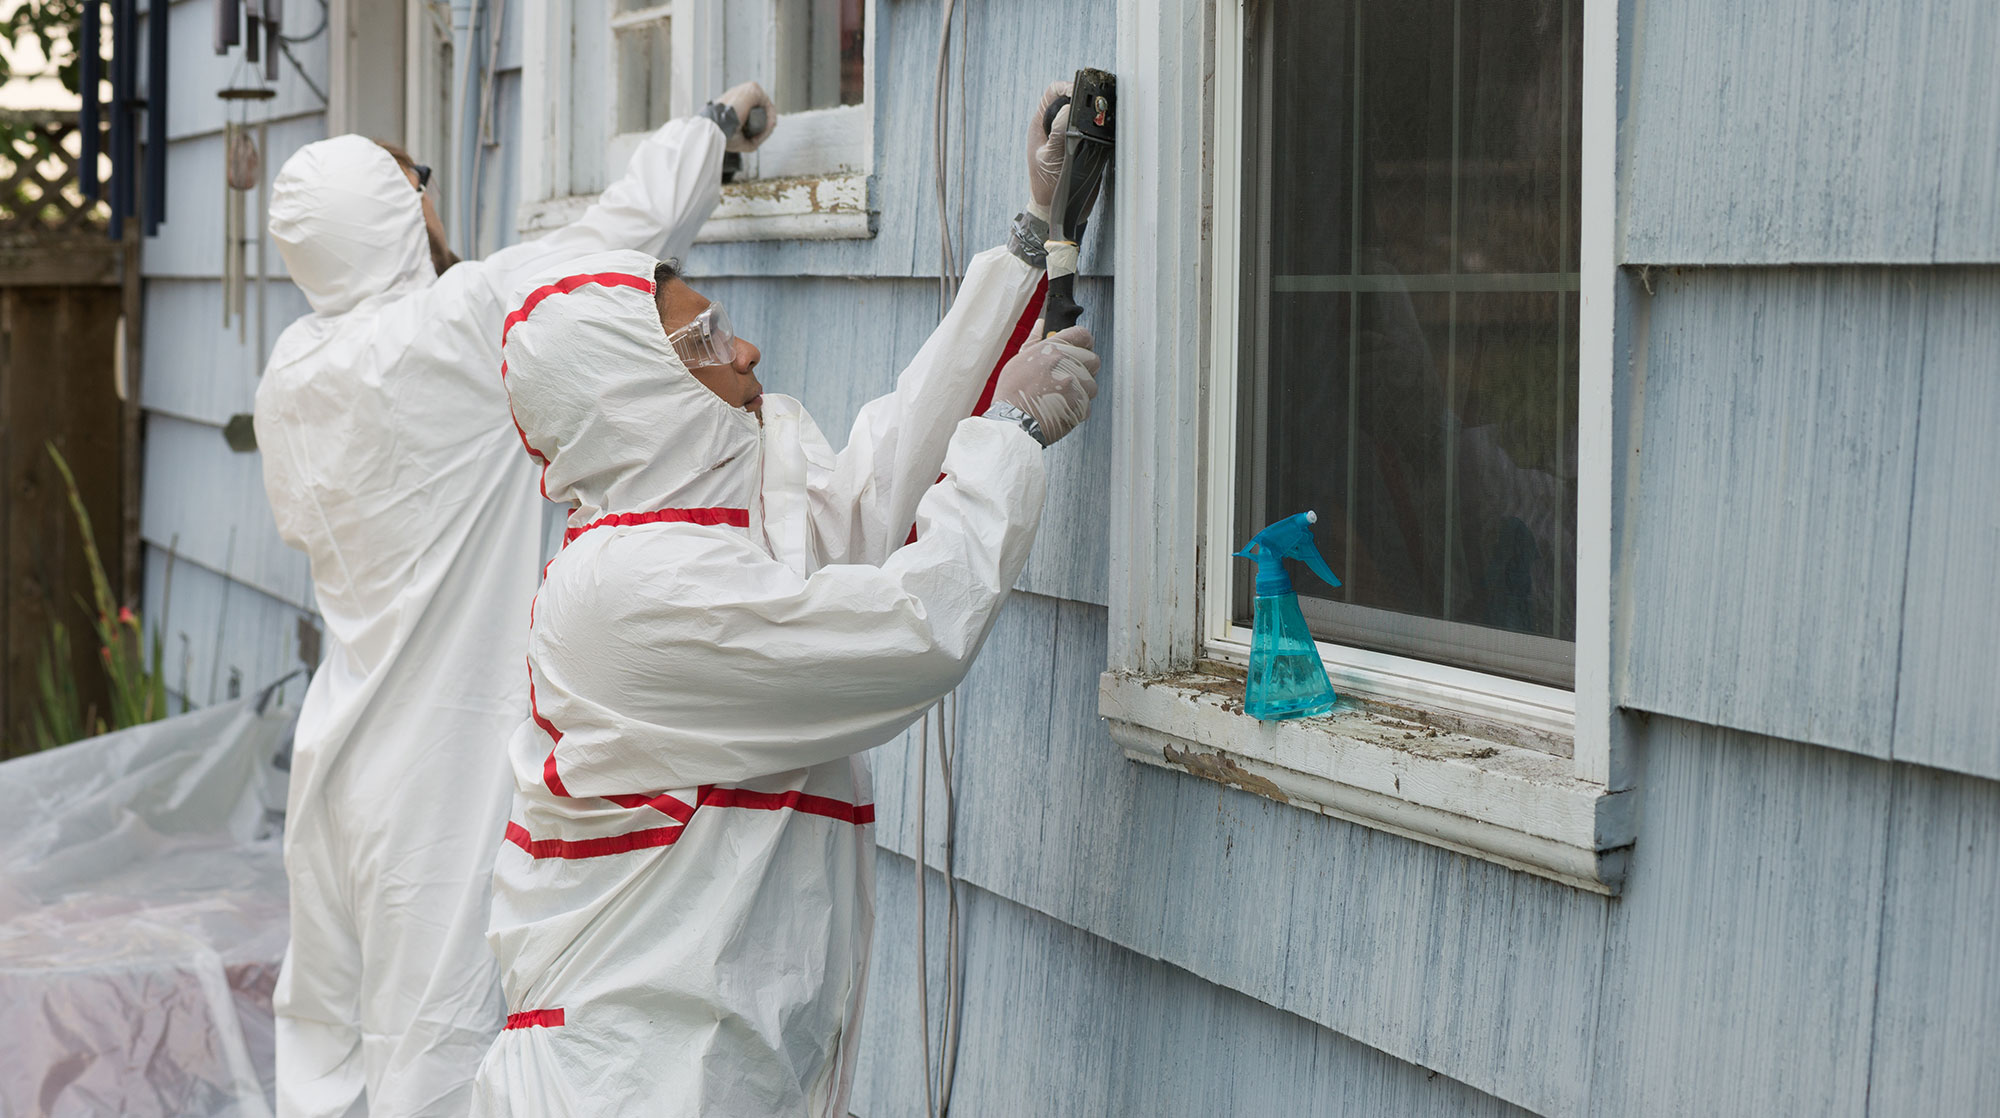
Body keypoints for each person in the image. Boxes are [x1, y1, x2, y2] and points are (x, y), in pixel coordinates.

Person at [467, 86, 1095, 1117]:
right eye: (704, 339)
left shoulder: (696, 546)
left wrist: (1027, 245)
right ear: (636, 393)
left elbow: (873, 488)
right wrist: (1008, 439)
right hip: (624, 1086)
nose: (744, 349)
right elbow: (902, 633)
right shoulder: (628, 597)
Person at [253, 82, 778, 1118]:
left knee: (324, 1043)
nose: (435, 200)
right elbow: (614, 234)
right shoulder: (457, 326)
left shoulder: (291, 372)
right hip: (435, 779)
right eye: (419, 185)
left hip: (331, 765)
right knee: (434, 1053)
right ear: (399, 214)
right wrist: (711, 132)